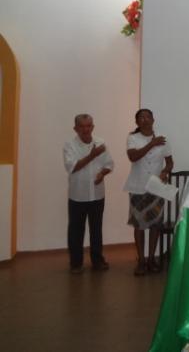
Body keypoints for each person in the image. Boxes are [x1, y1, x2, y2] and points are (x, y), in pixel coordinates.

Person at [123, 108, 174, 276]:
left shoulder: (163, 138)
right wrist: (151, 143)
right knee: (139, 225)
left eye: (147, 116)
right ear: (137, 122)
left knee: (155, 224)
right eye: (141, 117)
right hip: (138, 187)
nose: (145, 119)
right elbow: (133, 157)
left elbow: (169, 163)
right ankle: (141, 260)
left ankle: (152, 258)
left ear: (153, 119)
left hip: (156, 187)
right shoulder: (133, 138)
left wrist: (165, 172)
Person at [63, 114, 113, 274]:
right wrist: (92, 155)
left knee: (96, 230)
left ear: (93, 126)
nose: (86, 129)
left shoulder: (101, 143)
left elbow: (109, 164)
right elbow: (72, 167)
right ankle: (76, 263)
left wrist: (102, 174)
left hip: (97, 195)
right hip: (77, 195)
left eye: (88, 125)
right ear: (75, 128)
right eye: (82, 126)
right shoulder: (69, 145)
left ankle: (97, 261)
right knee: (76, 231)